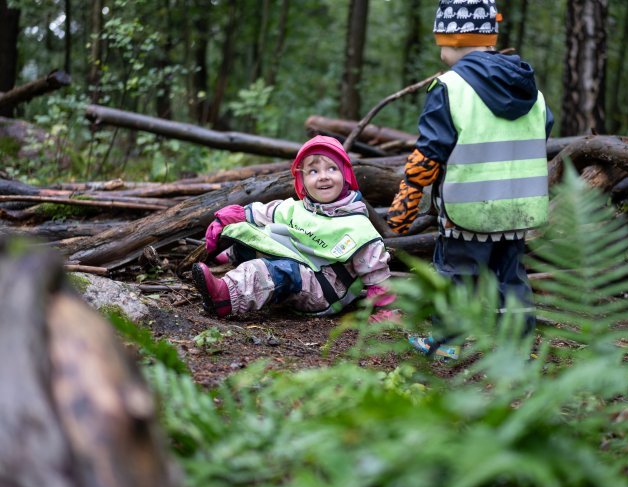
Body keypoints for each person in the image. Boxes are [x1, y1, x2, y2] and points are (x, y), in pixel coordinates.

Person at [386, 0, 554, 360]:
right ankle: (518, 346)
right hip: (518, 208)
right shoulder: (530, 90)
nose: (440, 52)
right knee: (510, 277)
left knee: (456, 275)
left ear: (454, 40)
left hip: (467, 210)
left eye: (441, 43)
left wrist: (408, 198)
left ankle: (448, 342)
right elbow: (542, 132)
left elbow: (429, 152)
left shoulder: (451, 87)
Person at [193, 135, 395, 319]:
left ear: (346, 175)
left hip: (325, 289)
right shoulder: (299, 208)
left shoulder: (357, 226)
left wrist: (383, 309)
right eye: (313, 171)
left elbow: (376, 273)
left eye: (332, 168)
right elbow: (265, 212)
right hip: (300, 266)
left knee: (277, 270)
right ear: (302, 181)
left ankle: (225, 297)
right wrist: (231, 217)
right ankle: (229, 255)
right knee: (255, 232)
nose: (323, 176)